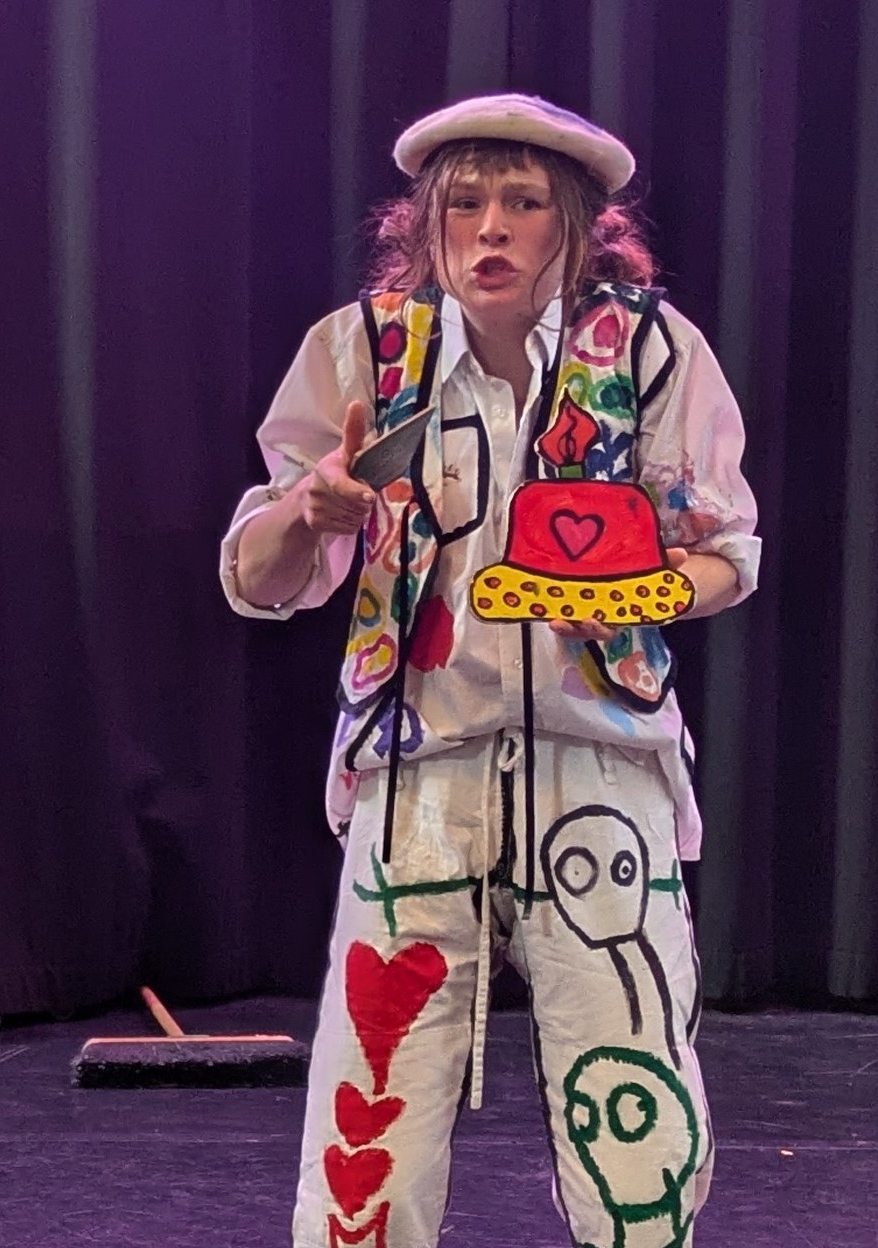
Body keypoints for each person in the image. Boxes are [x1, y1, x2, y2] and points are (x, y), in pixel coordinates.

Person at [220, 94, 759, 1248]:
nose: (491, 228)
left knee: (635, 1101)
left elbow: (728, 553)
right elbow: (258, 578)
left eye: (522, 202)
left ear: (578, 223)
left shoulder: (652, 352)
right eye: (464, 204)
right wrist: (310, 511)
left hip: (600, 768)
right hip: (419, 775)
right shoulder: (363, 351)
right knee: (374, 1111)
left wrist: (651, 588)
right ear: (427, 221)